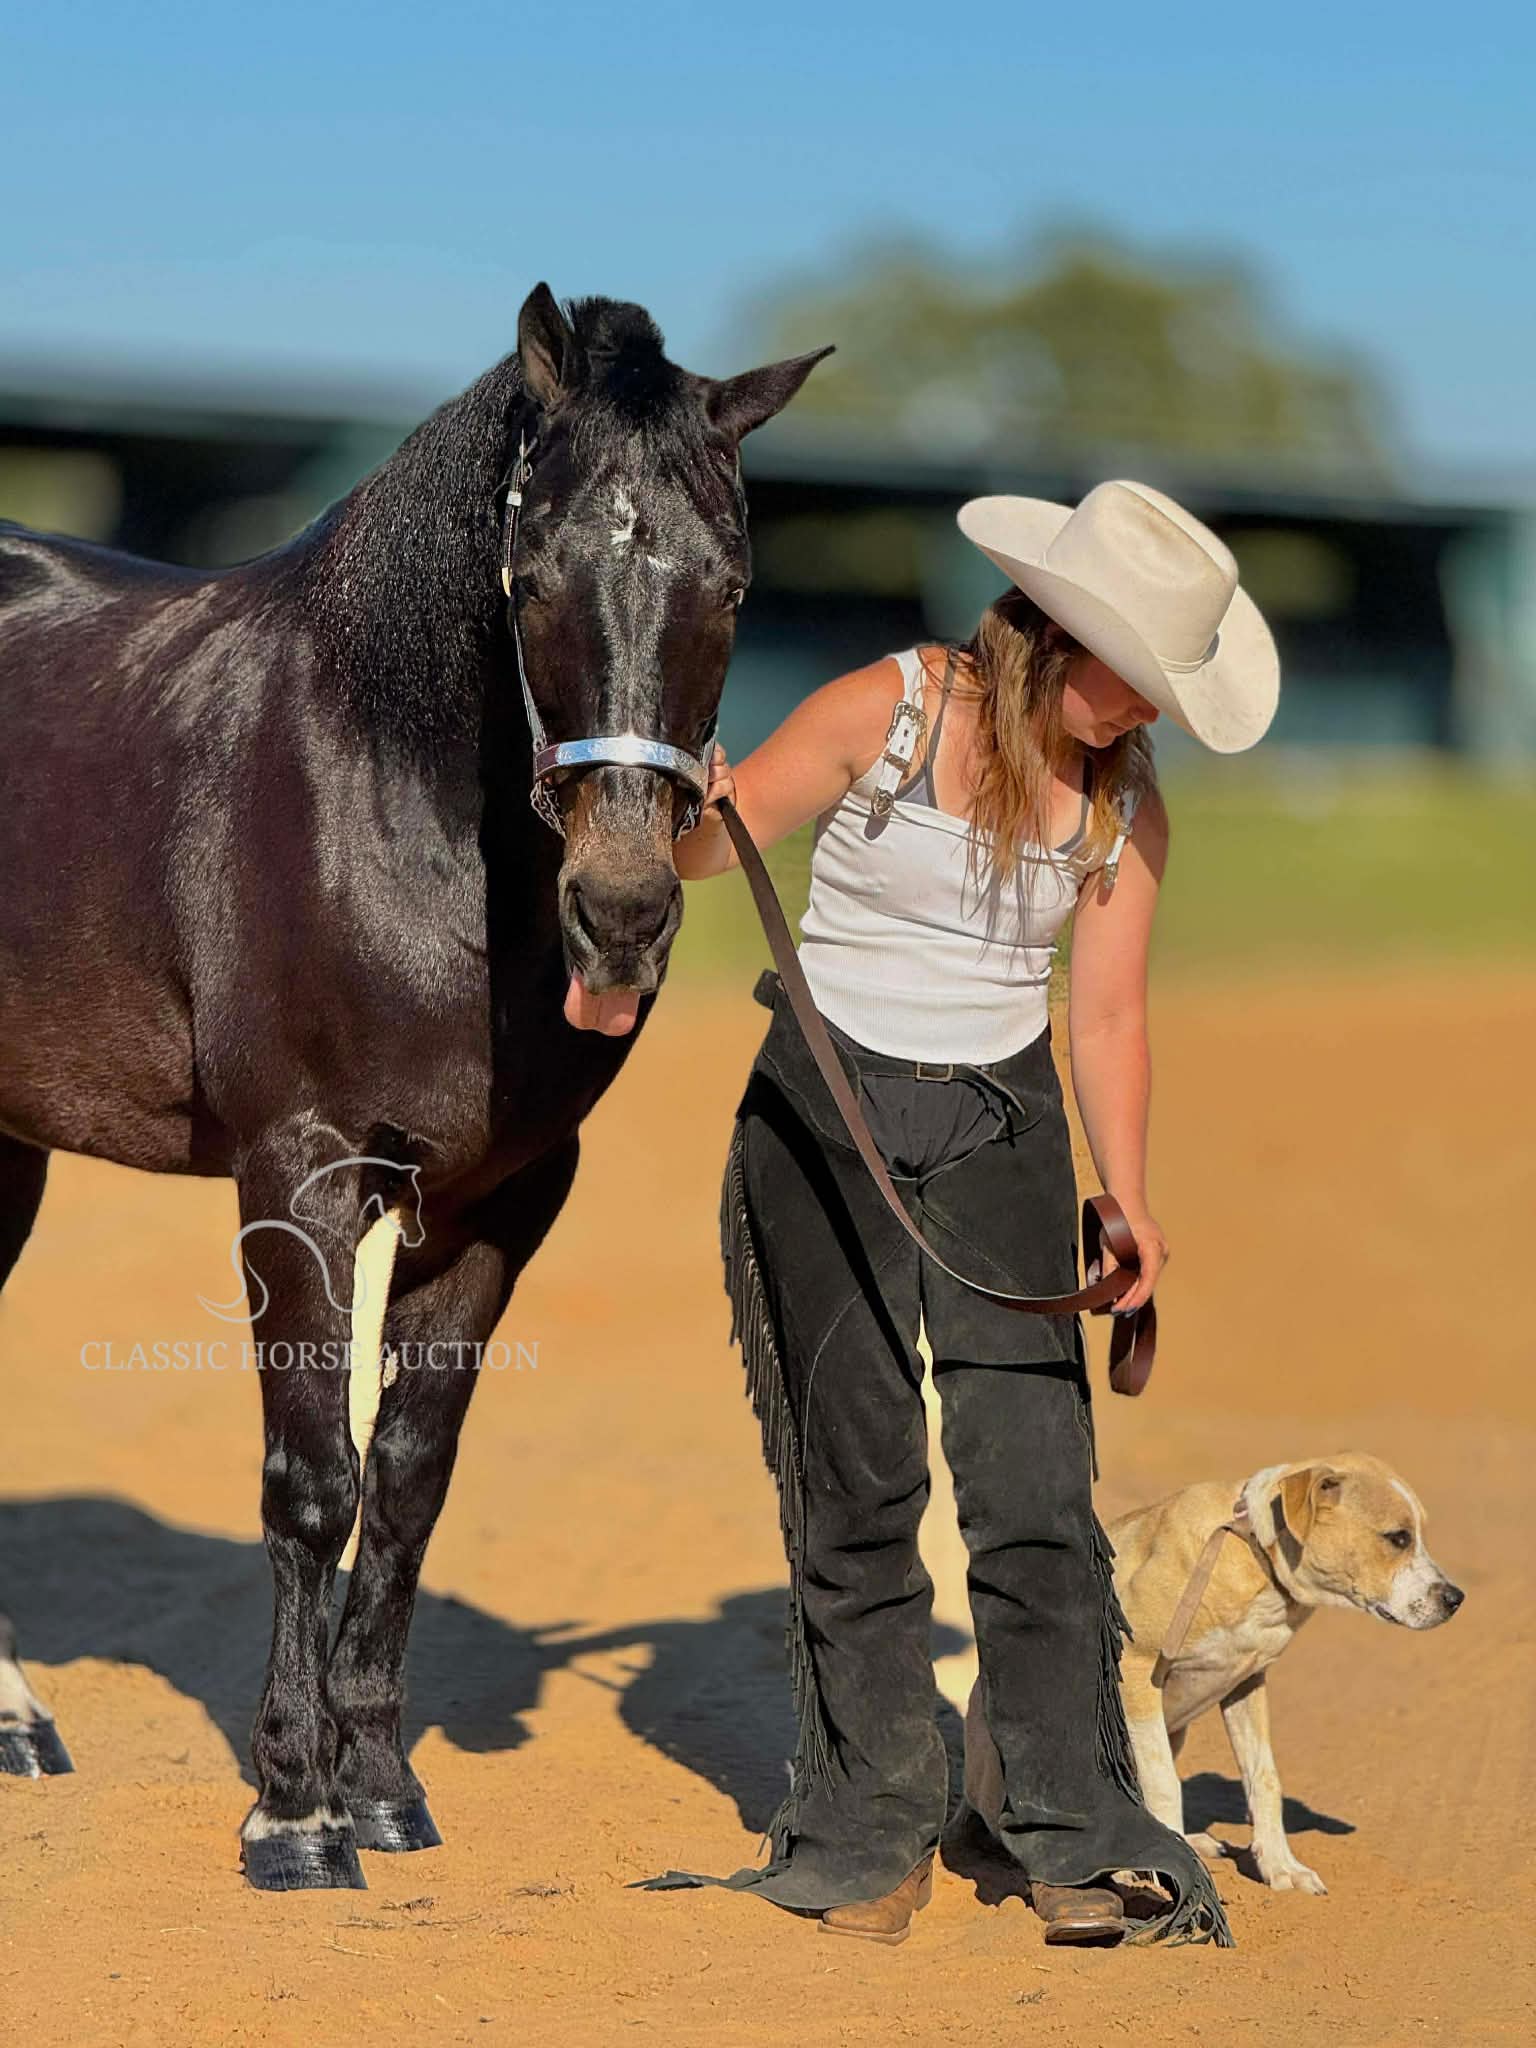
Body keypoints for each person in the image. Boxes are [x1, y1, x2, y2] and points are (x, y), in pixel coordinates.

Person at [646, 480, 1279, 1947]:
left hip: (1003, 1134)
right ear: (1061, 636)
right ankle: (869, 1836)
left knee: (1036, 1496)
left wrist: (1126, 1198)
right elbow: (703, 851)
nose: (1156, 716)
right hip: (825, 1116)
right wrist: (683, 794)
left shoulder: (1125, 797)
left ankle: (1066, 1827)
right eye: (1145, 681)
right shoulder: (892, 710)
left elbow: (1105, 1020)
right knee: (855, 1487)